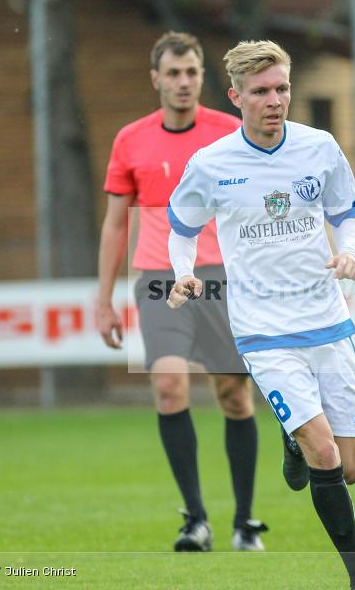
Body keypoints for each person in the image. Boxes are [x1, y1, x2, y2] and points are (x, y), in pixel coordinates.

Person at [166, 40, 355, 590]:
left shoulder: (320, 147)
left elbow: (345, 214)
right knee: (325, 450)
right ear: (236, 96)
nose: (274, 100)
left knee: (349, 467)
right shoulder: (211, 164)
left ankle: (292, 438)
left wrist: (349, 250)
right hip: (264, 332)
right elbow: (182, 228)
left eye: (282, 88)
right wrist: (183, 271)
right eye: (261, 91)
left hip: (328, 321)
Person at [95, 31, 267, 553]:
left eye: (192, 72)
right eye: (173, 73)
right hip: (158, 279)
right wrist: (103, 298)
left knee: (234, 395)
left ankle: (244, 522)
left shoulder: (229, 132)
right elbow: (114, 225)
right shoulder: (131, 139)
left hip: (220, 275)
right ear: (156, 80)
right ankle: (195, 520)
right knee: (168, 386)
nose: (184, 82)